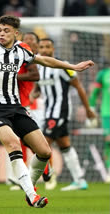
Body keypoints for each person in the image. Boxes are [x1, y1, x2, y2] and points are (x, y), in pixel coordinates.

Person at [0, 15, 94, 208]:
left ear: (15, 33)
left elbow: (45, 60)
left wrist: (72, 66)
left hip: (17, 108)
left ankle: (28, 186)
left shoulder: (21, 51)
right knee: (13, 144)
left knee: (44, 151)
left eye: (6, 31)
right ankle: (32, 195)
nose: (2, 34)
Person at [30, 38, 96, 191]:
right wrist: (35, 93)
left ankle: (30, 179)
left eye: (48, 47)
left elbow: (78, 86)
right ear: (38, 49)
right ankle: (79, 180)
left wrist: (87, 109)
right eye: (42, 47)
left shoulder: (62, 65)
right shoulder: (39, 67)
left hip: (60, 111)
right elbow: (40, 87)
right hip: (49, 112)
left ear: (53, 49)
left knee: (42, 144)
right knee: (65, 145)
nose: (45, 50)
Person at [0, 32, 40, 196]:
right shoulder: (0, 53)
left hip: (19, 105)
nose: (27, 42)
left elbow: (35, 75)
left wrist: (11, 75)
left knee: (30, 144)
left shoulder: (24, 53)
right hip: (0, 106)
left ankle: (35, 178)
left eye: (31, 41)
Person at [89, 66, 110, 183]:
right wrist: (91, 108)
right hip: (107, 113)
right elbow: (95, 92)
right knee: (109, 141)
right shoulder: (103, 74)